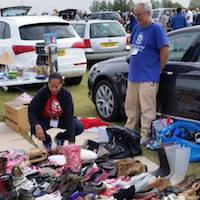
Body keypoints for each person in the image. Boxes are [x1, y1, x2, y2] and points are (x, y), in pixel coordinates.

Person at [125, 1, 169, 144]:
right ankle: (129, 130)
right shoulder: (137, 27)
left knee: (147, 108)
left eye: (139, 15)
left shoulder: (156, 29)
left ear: (148, 13)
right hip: (134, 75)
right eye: (135, 14)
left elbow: (165, 49)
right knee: (131, 107)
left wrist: (159, 69)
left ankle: (145, 135)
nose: (137, 17)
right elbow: (133, 46)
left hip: (148, 76)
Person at [28, 72, 84, 150]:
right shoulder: (42, 93)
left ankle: (60, 137)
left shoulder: (66, 95)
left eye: (56, 87)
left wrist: (71, 141)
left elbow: (69, 117)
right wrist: (36, 125)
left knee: (79, 127)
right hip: (45, 119)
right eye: (51, 86)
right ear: (48, 84)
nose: (54, 89)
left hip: (61, 119)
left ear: (61, 84)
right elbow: (31, 110)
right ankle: (47, 141)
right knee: (34, 129)